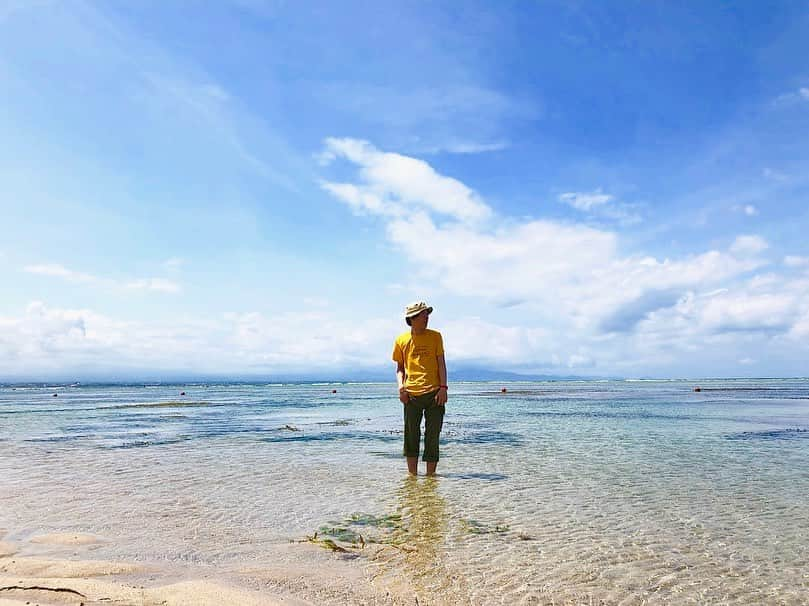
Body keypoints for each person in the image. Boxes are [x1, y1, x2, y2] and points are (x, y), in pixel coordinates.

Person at [392, 301, 448, 475]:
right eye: (423, 314)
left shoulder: (436, 336)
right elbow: (400, 369)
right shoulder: (401, 340)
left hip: (434, 394)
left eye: (427, 314)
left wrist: (443, 388)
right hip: (411, 395)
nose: (427, 317)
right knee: (411, 437)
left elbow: (441, 364)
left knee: (432, 437)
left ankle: (431, 479)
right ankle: (412, 478)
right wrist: (401, 388)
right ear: (412, 318)